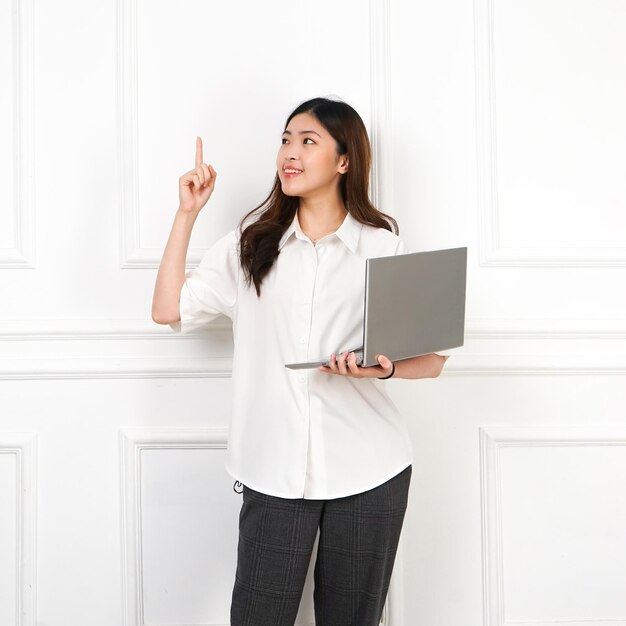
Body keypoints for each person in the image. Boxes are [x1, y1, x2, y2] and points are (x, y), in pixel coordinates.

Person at [152, 97, 449, 626]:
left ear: (344, 160)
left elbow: (431, 360)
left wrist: (379, 368)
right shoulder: (251, 244)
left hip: (370, 468)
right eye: (286, 139)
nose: (290, 152)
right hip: (272, 470)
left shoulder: (382, 247)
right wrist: (186, 214)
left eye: (308, 141)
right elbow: (167, 309)